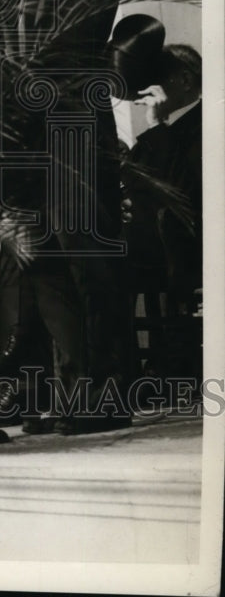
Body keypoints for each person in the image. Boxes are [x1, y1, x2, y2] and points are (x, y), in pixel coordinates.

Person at [0, 0, 129, 434]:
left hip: (71, 129)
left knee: (87, 259)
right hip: (17, 141)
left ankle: (110, 394)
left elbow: (76, 41)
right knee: (40, 266)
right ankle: (65, 394)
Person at [119, 41, 203, 381]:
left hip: (188, 241)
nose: (146, 94)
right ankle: (127, 369)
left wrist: (157, 123)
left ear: (184, 79)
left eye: (157, 82)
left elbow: (182, 187)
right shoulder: (164, 133)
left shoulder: (203, 124)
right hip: (156, 238)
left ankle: (147, 366)